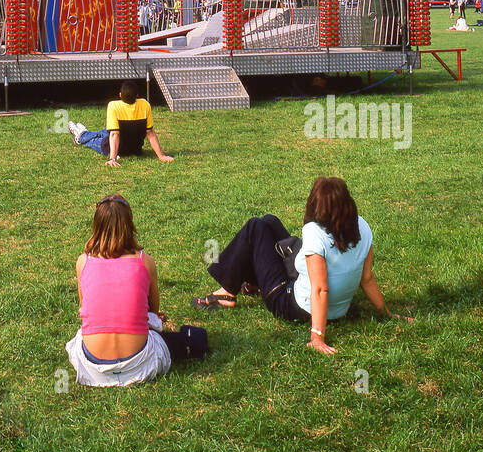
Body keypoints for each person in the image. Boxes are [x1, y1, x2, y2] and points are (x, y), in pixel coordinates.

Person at [193, 176, 410, 355]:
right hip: (337, 307)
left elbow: (320, 288)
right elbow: (367, 278)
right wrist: (386, 313)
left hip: (290, 302)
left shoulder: (314, 232)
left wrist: (317, 336)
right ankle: (250, 282)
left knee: (255, 227)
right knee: (269, 222)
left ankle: (227, 292)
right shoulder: (362, 226)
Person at [64, 194, 172, 387]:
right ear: (130, 225)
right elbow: (153, 312)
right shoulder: (145, 262)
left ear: (96, 225)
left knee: (80, 336)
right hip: (141, 364)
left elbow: (84, 309)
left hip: (93, 367)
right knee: (156, 331)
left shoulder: (83, 262)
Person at [67, 81, 173, 167]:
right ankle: (84, 132)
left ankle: (80, 136)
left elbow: (115, 134)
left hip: (116, 149)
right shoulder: (145, 104)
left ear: (120, 95)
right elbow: (150, 133)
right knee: (105, 131)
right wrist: (162, 156)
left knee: (97, 139)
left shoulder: (114, 105)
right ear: (137, 95)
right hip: (135, 149)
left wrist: (112, 158)